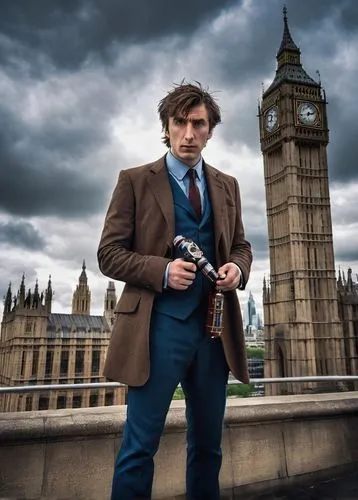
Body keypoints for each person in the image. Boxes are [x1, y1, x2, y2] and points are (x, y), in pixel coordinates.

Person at [97, 81, 252, 500]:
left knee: (208, 448)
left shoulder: (227, 185)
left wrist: (237, 268)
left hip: (213, 334)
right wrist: (162, 271)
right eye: (179, 122)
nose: (189, 133)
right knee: (138, 449)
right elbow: (108, 254)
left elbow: (241, 244)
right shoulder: (133, 181)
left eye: (198, 124)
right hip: (155, 330)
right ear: (166, 127)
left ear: (210, 131)